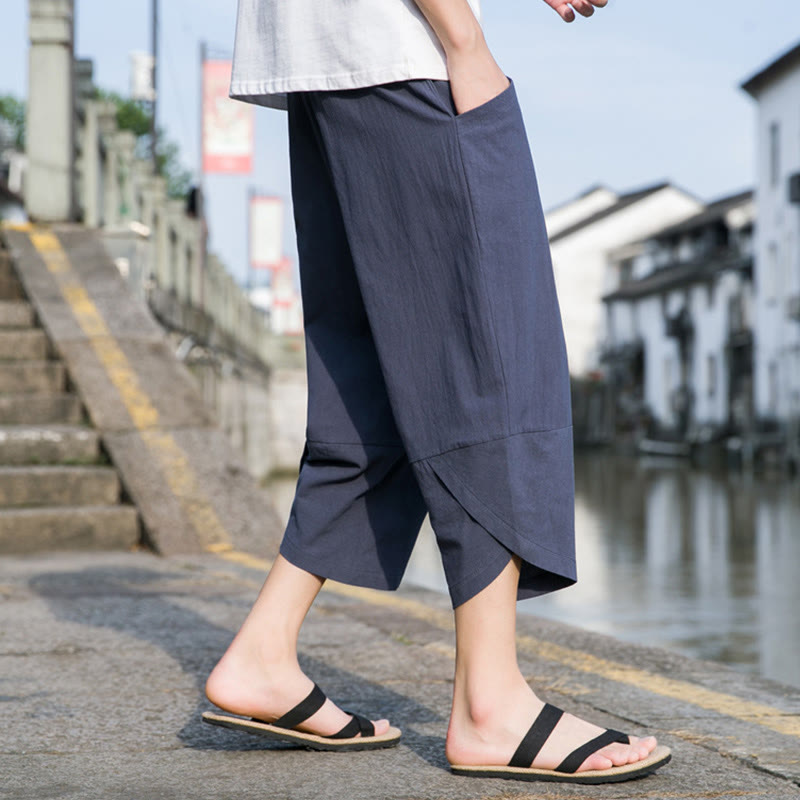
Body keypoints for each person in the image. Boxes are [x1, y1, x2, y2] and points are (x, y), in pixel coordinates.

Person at [203, 0, 672, 784]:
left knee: (374, 380)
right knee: (490, 359)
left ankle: (264, 652)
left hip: (326, 50)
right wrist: (463, 35)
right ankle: (491, 703)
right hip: (403, 51)